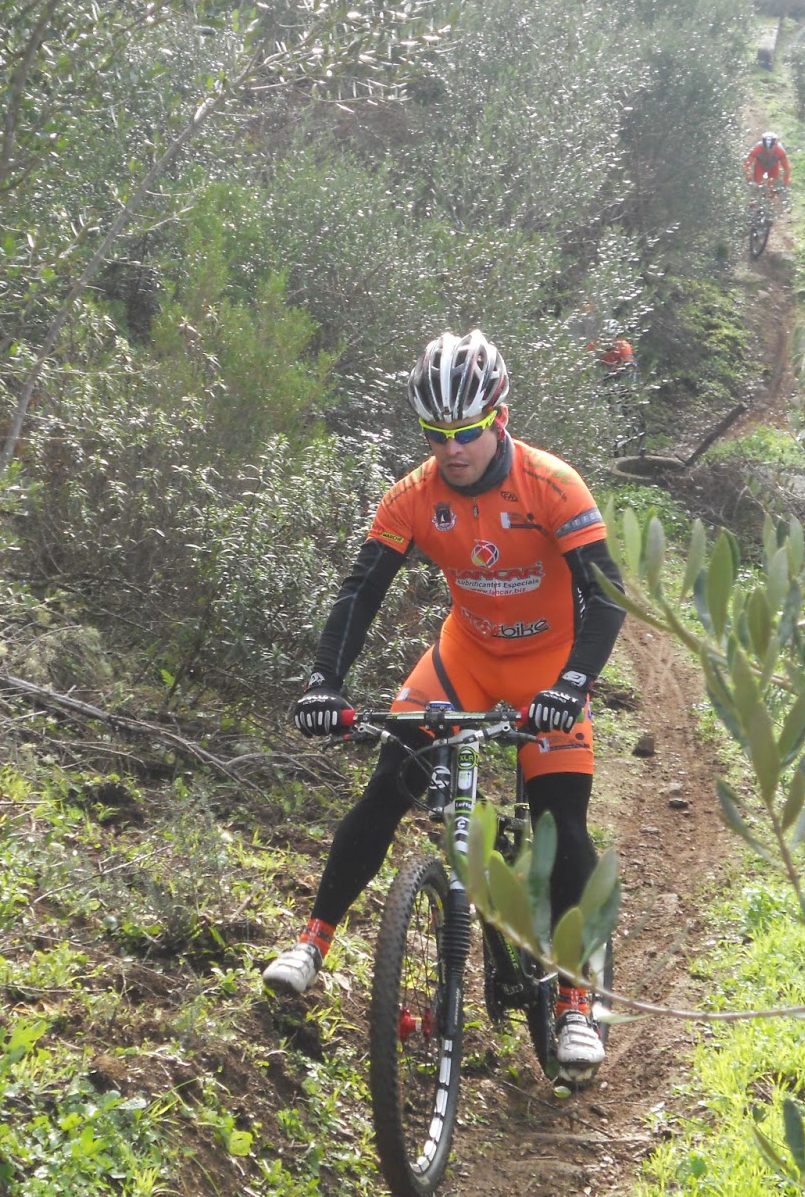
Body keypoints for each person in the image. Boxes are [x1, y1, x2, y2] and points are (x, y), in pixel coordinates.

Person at [261, 330, 626, 1079]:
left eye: (466, 431)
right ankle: (312, 943)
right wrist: (323, 682)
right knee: (388, 787)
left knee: (561, 822)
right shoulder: (414, 496)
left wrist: (572, 685)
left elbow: (607, 597)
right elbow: (361, 591)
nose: (451, 448)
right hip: (465, 661)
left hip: (549, 668)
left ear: (500, 416)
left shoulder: (553, 485)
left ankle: (576, 1002)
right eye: (436, 434)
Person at [743, 131, 791, 204]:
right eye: (765, 148)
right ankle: (752, 205)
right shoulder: (757, 148)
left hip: (774, 166)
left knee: (771, 187)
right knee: (756, 185)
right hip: (760, 164)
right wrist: (749, 180)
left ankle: (770, 203)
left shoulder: (780, 151)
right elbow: (746, 165)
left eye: (771, 149)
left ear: (775, 145)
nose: (768, 151)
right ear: (763, 145)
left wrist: (785, 184)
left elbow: (787, 170)